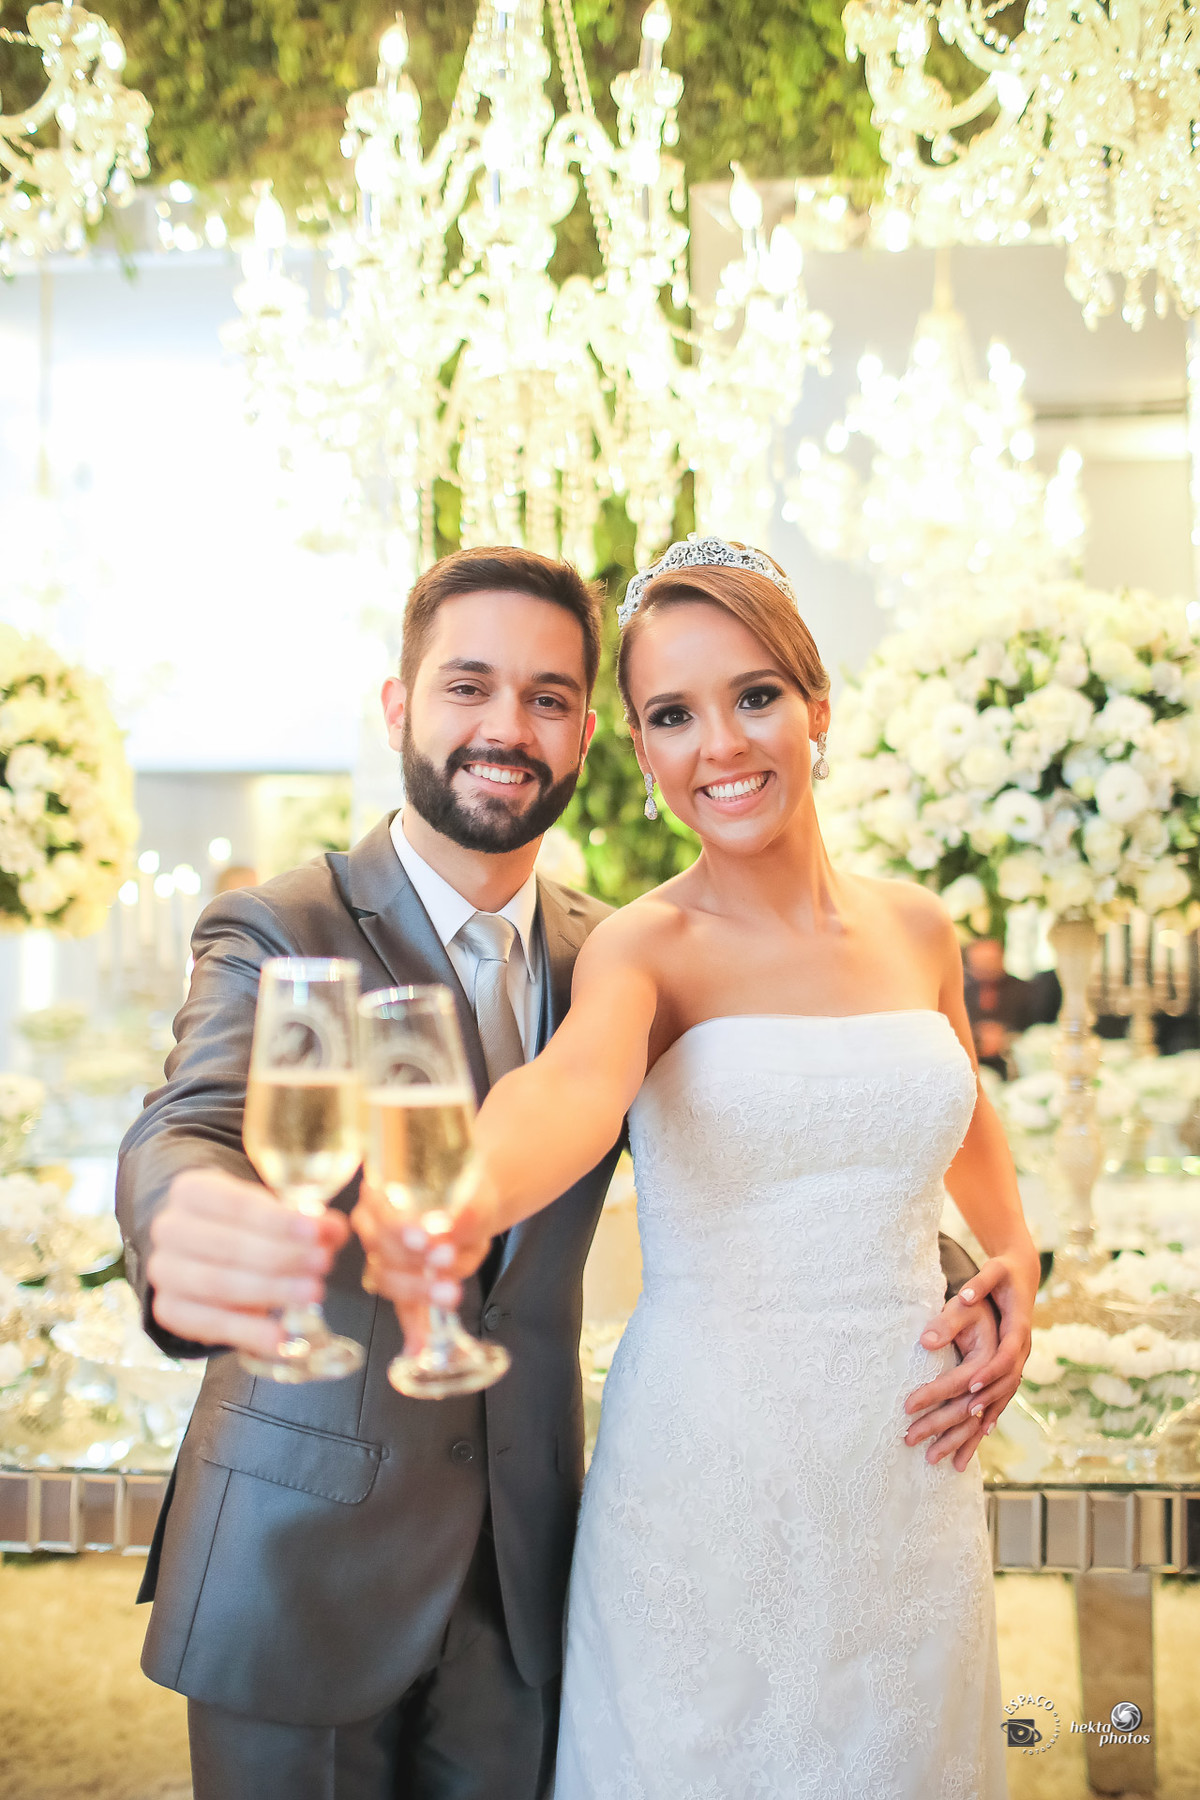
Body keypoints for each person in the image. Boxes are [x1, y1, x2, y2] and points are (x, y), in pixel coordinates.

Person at [117, 544, 1002, 1800]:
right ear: (398, 707)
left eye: (545, 698)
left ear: (588, 736)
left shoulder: (615, 948)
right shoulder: (281, 925)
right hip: (302, 1555)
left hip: (536, 1561)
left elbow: (791, 1149)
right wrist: (185, 1215)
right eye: (466, 686)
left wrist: (955, 1279)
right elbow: (193, 1124)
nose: (504, 727)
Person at [359, 538, 1039, 1798]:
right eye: (673, 714)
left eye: (756, 696)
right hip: (708, 1468)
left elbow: (966, 1120)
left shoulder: (920, 930)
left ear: (817, 705)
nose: (720, 745)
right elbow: (561, 1094)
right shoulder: (644, 949)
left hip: (909, 1463)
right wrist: (449, 1197)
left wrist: (1018, 1268)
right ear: (641, 747)